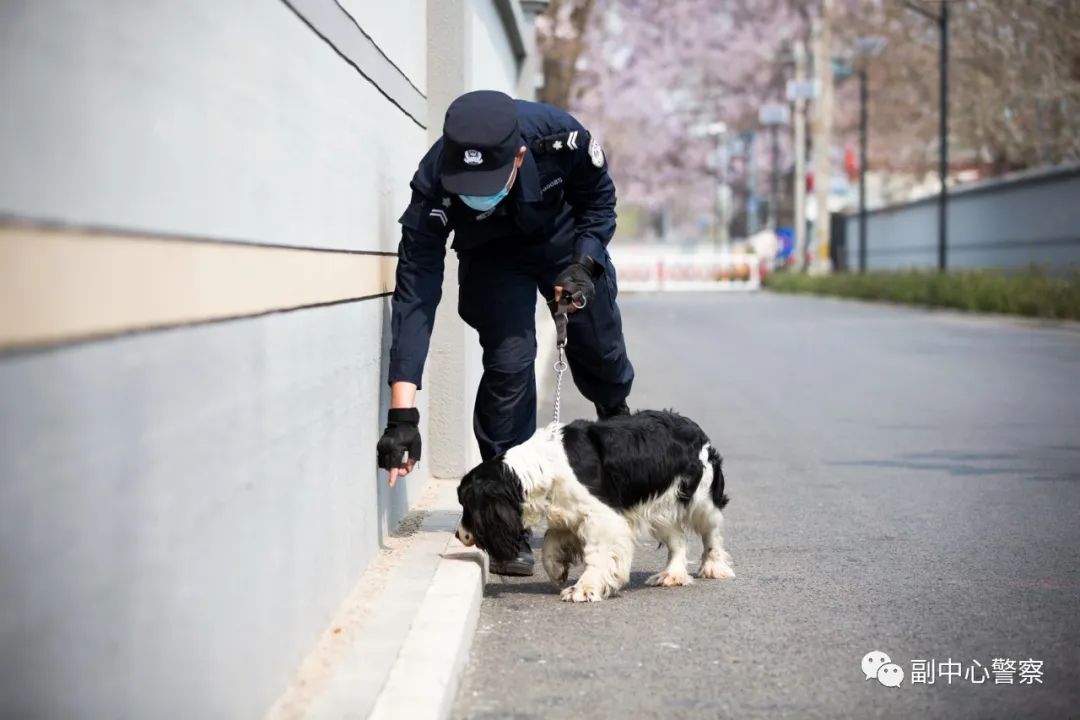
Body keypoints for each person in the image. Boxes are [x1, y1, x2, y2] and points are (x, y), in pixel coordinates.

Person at [376, 90, 634, 575]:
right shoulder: (433, 181)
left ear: (518, 156)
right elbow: (415, 295)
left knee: (599, 349)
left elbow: (600, 203)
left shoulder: (562, 139)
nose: (475, 187)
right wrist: (402, 416)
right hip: (491, 254)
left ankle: (618, 440)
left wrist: (585, 262)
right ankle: (506, 514)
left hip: (563, 239)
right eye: (466, 181)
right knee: (510, 360)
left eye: (487, 179)